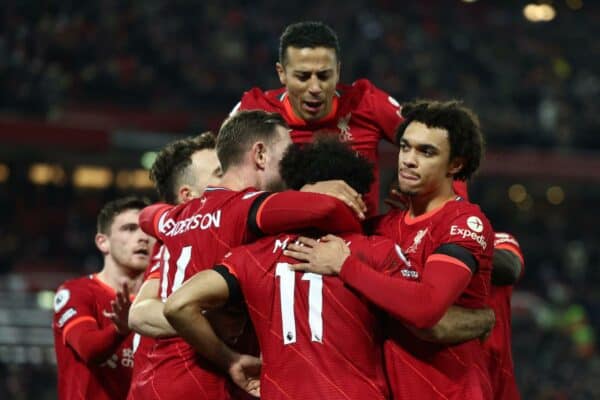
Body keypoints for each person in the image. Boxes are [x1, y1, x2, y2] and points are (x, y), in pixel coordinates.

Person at [163, 137, 495, 399]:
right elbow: (427, 323)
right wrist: (482, 318)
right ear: (358, 197)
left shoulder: (250, 256)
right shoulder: (377, 251)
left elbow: (178, 305)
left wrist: (229, 359)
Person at [135, 110, 366, 399]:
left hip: (157, 377)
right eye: (288, 153)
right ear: (260, 155)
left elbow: (147, 216)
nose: (293, 164)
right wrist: (309, 191)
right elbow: (328, 210)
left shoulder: (176, 216)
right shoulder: (247, 207)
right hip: (206, 380)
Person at [286, 100, 495, 399]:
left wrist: (345, 265)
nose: (408, 160)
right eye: (405, 147)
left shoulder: (463, 222)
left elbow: (426, 309)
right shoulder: (385, 226)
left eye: (426, 152)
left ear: (456, 164)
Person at [233, 21, 404, 216]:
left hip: (361, 240)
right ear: (282, 73)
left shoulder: (367, 102)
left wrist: (406, 181)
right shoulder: (255, 110)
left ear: (338, 72)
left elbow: (431, 139)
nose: (315, 88)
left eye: (323, 76)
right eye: (303, 77)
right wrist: (304, 194)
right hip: (281, 241)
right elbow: (223, 187)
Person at [126, 132, 222, 399]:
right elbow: (140, 313)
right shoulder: (176, 242)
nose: (231, 177)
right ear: (187, 195)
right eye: (219, 172)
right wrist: (216, 321)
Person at [52, 196, 154, 400]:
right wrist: (119, 330)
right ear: (103, 242)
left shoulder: (162, 301)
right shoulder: (76, 292)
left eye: (147, 230)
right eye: (129, 229)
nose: (143, 237)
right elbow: (88, 348)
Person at [485, 232, 525, 399]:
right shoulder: (413, 246)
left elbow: (510, 268)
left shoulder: (496, 239)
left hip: (496, 375)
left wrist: (459, 248)